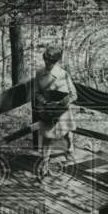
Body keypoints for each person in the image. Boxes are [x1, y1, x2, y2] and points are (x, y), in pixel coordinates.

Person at [33, 44, 77, 178]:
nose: (47, 62)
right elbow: (36, 92)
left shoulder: (63, 74)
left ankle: (70, 149)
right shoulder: (39, 73)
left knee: (67, 133)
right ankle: (44, 165)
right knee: (47, 138)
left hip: (62, 111)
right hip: (47, 111)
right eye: (45, 58)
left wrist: (65, 101)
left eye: (50, 61)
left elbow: (74, 94)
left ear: (56, 61)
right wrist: (44, 101)